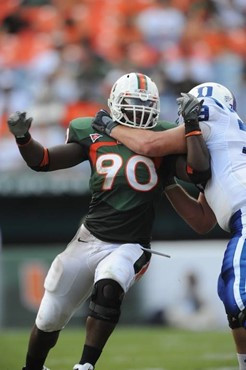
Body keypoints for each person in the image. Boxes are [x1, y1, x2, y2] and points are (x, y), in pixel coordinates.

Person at [7, 72, 210, 370]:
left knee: (111, 283)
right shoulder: (92, 132)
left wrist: (191, 128)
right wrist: (24, 139)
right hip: (89, 238)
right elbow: (44, 161)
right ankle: (32, 367)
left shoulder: (163, 137)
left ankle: (85, 365)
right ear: (115, 103)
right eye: (132, 103)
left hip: (130, 244)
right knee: (50, 316)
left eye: (146, 104)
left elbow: (198, 172)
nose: (140, 110)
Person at [94, 81, 246, 370]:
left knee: (240, 301)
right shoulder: (226, 143)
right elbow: (203, 220)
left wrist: (109, 126)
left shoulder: (211, 114)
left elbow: (149, 144)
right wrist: (166, 182)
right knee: (231, 295)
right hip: (240, 221)